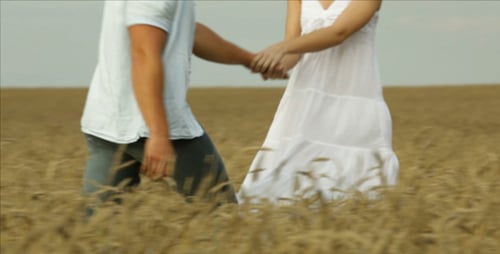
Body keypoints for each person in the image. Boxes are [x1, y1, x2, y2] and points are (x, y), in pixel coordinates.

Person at [80, 1, 278, 205]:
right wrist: (158, 133)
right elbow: (144, 55)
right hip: (152, 124)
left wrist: (250, 60)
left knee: (98, 225)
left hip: (107, 120)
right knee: (222, 216)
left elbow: (191, 33)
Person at [238, 0, 399, 203]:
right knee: (283, 195)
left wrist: (281, 48)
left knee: (354, 196)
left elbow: (339, 32)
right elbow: (294, 52)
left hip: (352, 104)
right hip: (304, 104)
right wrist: (275, 65)